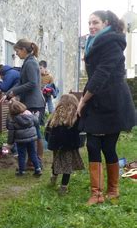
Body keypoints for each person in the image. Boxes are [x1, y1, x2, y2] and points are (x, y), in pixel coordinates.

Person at [78, 10, 135, 205]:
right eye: (89, 23)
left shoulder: (111, 43)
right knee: (93, 145)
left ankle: (113, 190)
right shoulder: (94, 43)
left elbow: (101, 74)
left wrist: (83, 100)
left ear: (106, 23)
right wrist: (84, 99)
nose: (91, 26)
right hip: (98, 100)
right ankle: (97, 193)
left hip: (112, 102)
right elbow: (95, 76)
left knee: (108, 147)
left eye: (95, 22)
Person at [0, 39, 46, 167]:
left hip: (35, 103)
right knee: (32, 131)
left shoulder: (31, 63)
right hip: (30, 102)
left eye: (17, 51)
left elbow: (32, 83)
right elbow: (21, 83)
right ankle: (32, 161)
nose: (16, 54)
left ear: (24, 50)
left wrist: (13, 93)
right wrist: (8, 94)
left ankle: (37, 161)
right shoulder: (28, 62)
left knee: (35, 132)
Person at [45, 94, 84, 195]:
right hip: (69, 146)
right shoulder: (76, 115)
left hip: (56, 145)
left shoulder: (55, 114)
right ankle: (63, 187)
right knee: (67, 166)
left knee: (56, 161)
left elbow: (47, 131)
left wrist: (50, 143)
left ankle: (53, 179)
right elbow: (80, 129)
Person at [6, 100, 42, 177]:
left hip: (20, 140)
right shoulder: (29, 115)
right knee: (33, 153)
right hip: (32, 138)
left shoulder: (12, 120)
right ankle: (38, 169)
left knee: (22, 155)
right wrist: (35, 116)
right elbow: (36, 122)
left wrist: (10, 143)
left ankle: (21, 171)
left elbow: (11, 133)